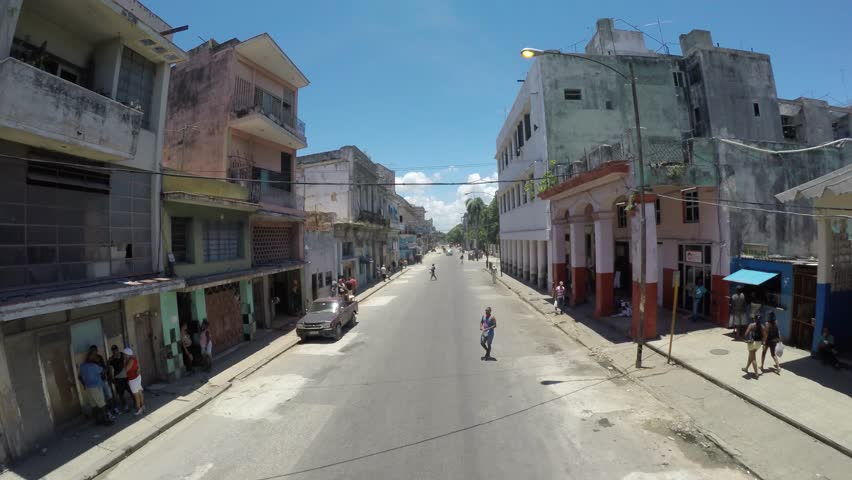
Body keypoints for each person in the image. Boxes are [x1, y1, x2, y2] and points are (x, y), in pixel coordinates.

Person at [79, 352, 113, 426]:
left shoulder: (82, 366)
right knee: (102, 405)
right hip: (96, 388)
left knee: (94, 406)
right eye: (95, 358)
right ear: (91, 358)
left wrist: (84, 384)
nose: (96, 359)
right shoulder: (94, 366)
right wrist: (107, 365)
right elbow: (103, 371)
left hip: (88, 388)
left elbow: (80, 377)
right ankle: (106, 421)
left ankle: (97, 421)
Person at [88, 345, 117, 417]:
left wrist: (108, 375)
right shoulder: (89, 361)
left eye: (96, 350)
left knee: (109, 395)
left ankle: (114, 409)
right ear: (91, 351)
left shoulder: (100, 357)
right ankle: (108, 413)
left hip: (104, 380)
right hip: (97, 383)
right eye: (94, 350)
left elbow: (104, 367)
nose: (95, 352)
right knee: (102, 399)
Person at [123, 348, 145, 415]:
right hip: (137, 377)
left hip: (133, 379)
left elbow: (126, 370)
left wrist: (124, 363)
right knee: (140, 392)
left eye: (124, 354)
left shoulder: (130, 361)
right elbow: (138, 367)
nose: (123, 355)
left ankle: (138, 409)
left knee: (136, 395)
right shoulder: (134, 359)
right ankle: (143, 406)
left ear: (127, 354)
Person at [110, 345, 131, 412]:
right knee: (121, 394)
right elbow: (110, 369)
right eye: (113, 350)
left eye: (115, 350)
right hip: (118, 378)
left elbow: (129, 361)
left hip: (126, 377)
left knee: (131, 390)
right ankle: (125, 406)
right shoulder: (111, 359)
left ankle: (136, 402)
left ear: (118, 349)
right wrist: (112, 378)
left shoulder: (123, 355)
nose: (114, 351)